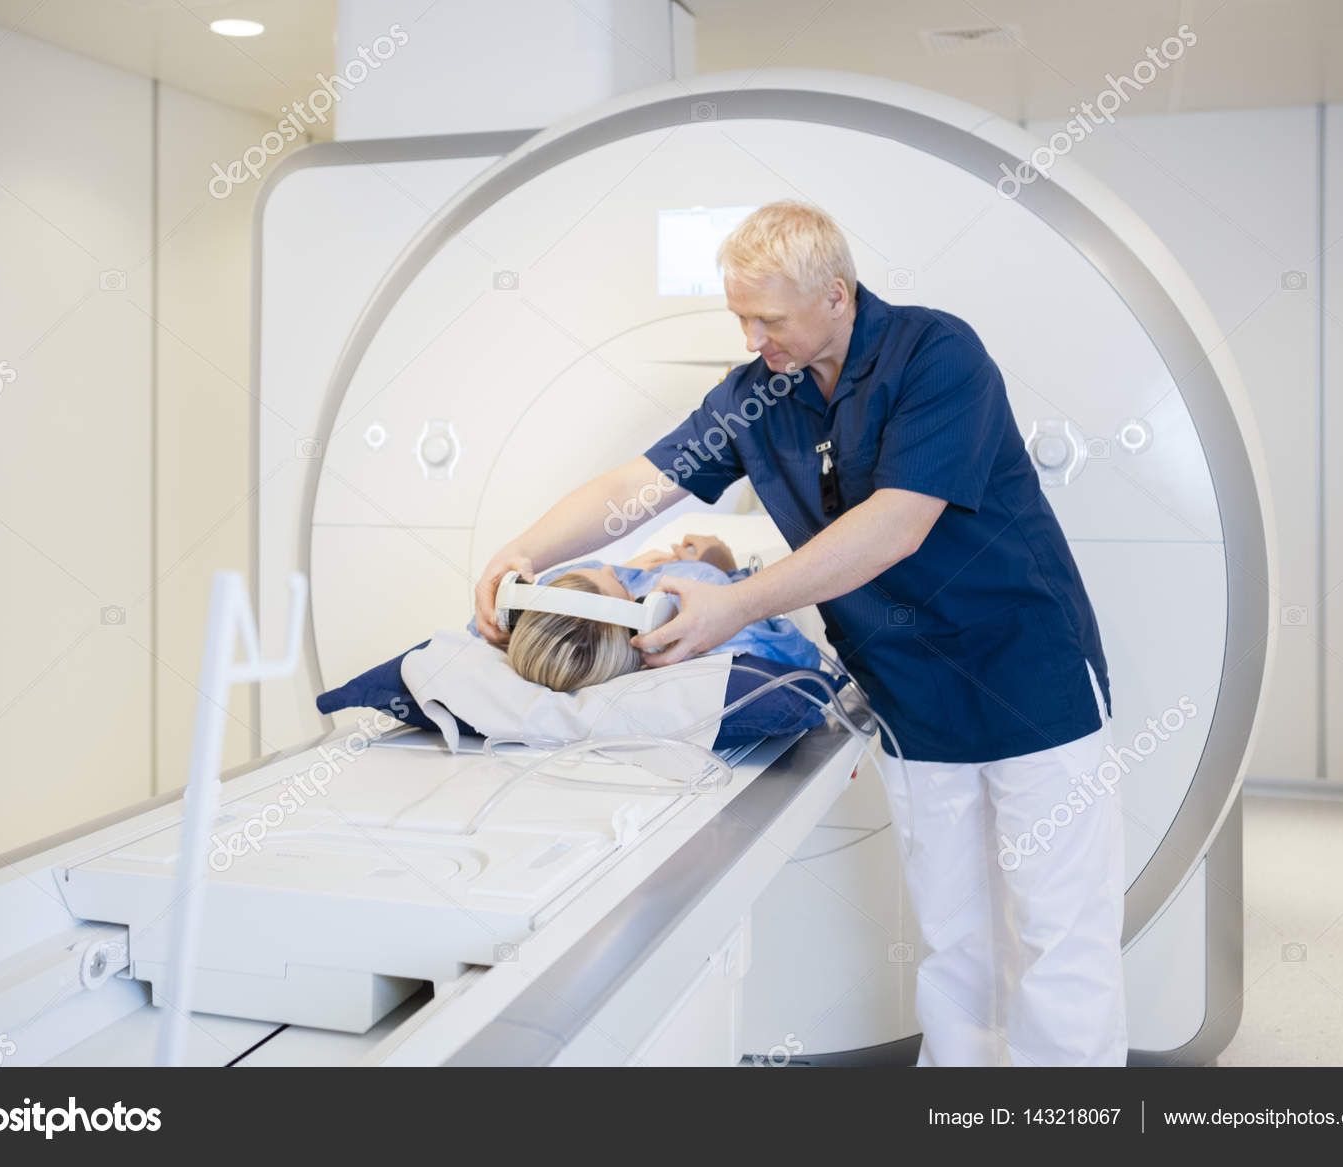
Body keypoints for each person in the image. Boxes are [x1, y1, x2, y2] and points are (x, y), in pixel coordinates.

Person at [472, 200, 1125, 1067]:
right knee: (957, 942)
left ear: (838, 295)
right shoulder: (758, 395)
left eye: (768, 319)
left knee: (1058, 937)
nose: (751, 337)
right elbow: (643, 482)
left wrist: (736, 605)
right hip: (912, 697)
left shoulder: (937, 355)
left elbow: (895, 524)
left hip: (1028, 677)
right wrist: (527, 547)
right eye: (740, 316)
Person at [478, 535, 821, 691]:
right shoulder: (698, 586)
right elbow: (800, 658)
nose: (615, 570)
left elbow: (491, 621)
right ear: (649, 622)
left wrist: (626, 569)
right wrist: (726, 572)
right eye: (625, 588)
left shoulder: (544, 602)